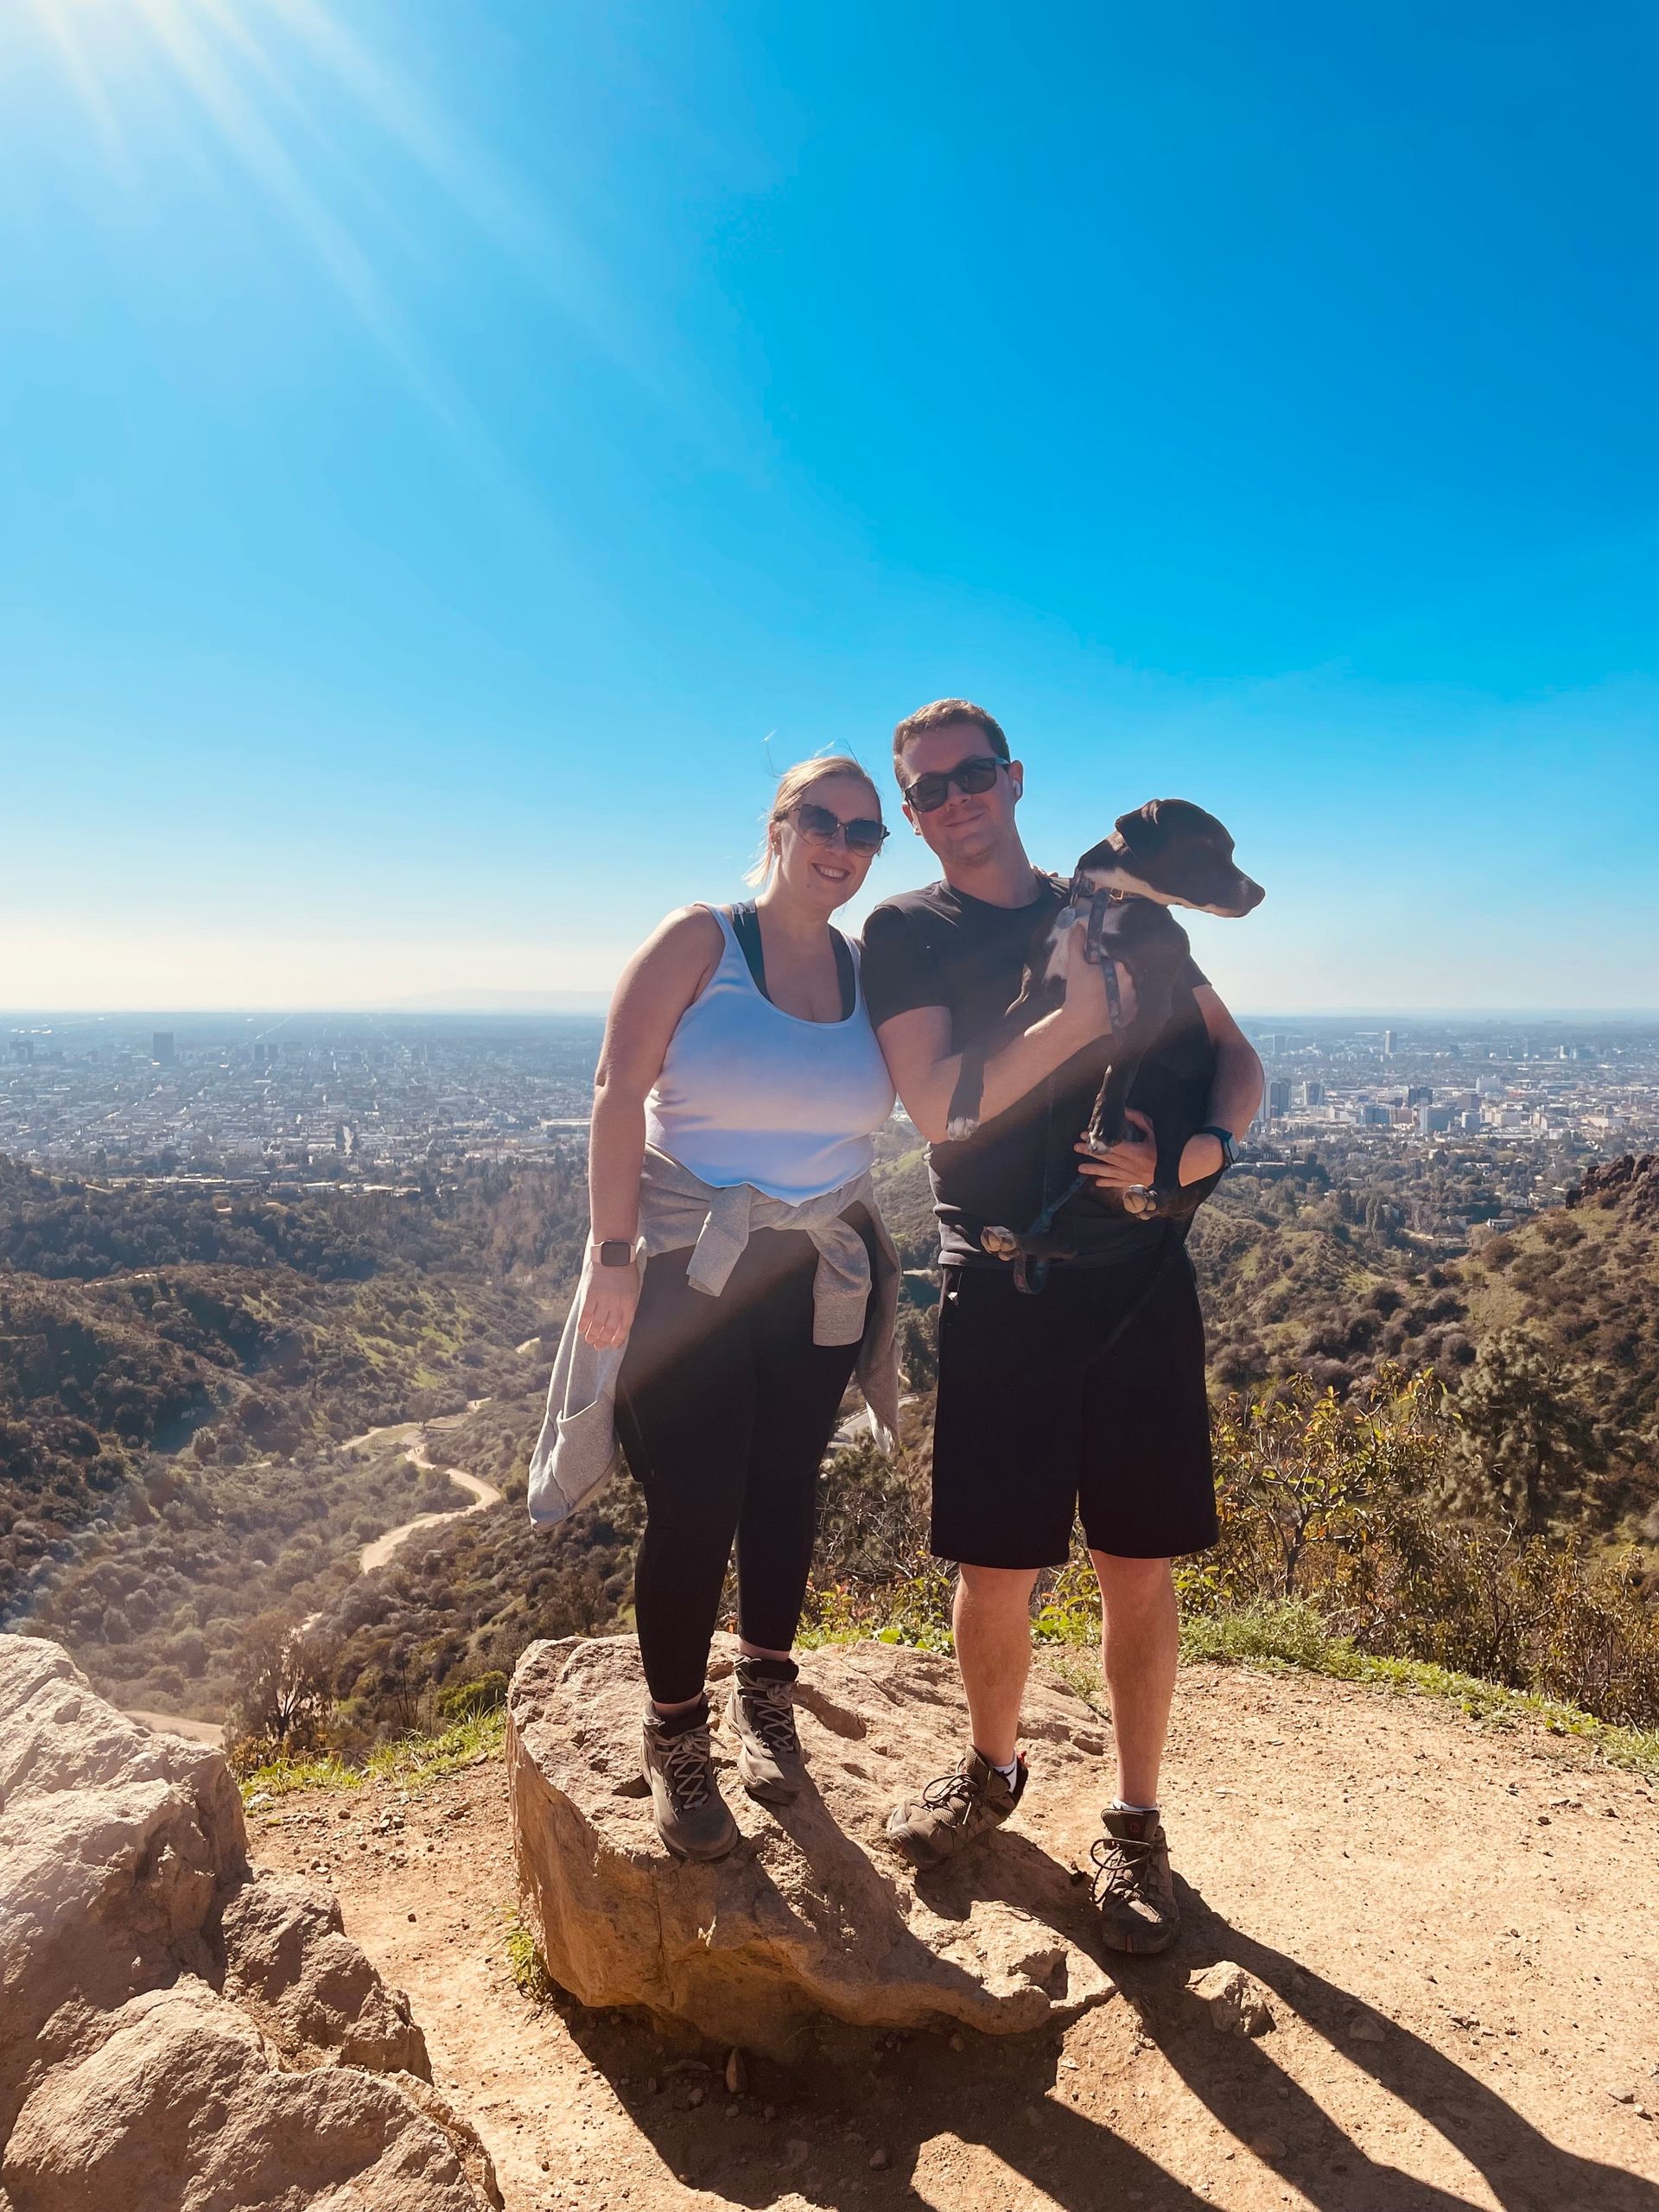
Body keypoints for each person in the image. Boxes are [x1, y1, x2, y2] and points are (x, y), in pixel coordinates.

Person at [859, 699, 1262, 1954]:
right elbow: (940, 1113)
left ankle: (1134, 1823)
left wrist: (1198, 1152)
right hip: (1000, 1285)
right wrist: (1077, 1024)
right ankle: (993, 1771)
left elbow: (1235, 1060)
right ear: (912, 814)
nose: (955, 800)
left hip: (1138, 1277)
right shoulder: (905, 932)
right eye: (928, 790)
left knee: (1136, 1566)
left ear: (1014, 778)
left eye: (973, 775)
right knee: (997, 1569)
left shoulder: (1131, 917)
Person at [536, 757, 901, 1864]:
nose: (842, 844)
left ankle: (766, 1688)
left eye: (867, 831)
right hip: (687, 1268)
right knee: (694, 1504)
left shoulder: (865, 967)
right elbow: (614, 1089)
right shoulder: (702, 939)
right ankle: (677, 1737)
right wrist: (608, 1256)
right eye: (823, 821)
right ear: (779, 825)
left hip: (813, 1271)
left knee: (787, 1485)